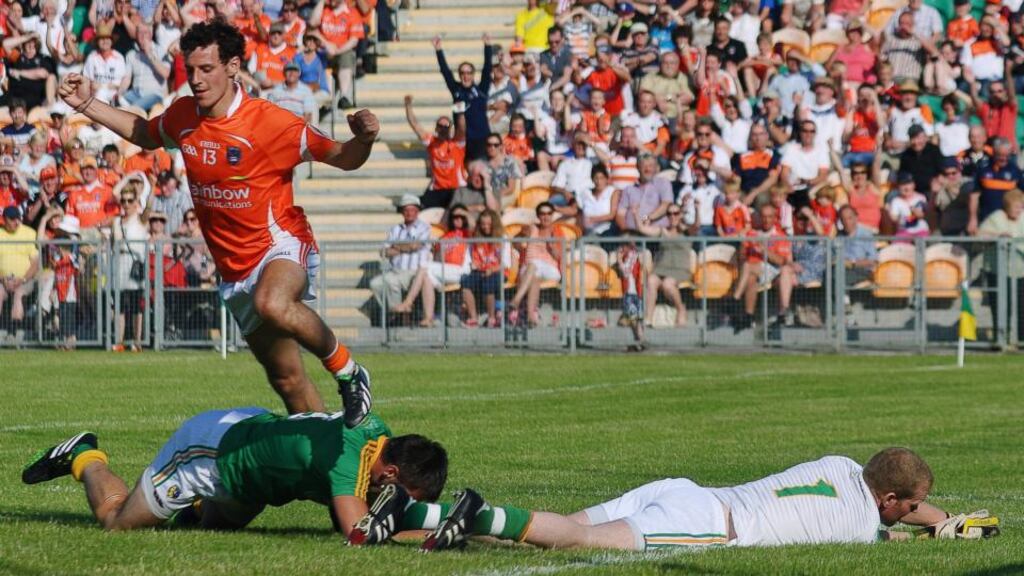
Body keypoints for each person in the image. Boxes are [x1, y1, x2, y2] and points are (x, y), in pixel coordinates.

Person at [58, 19, 374, 421]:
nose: (196, 79)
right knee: (287, 380)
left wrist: (362, 141)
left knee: (273, 301)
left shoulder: (270, 122)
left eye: (206, 69)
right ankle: (329, 461)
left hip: (280, 243)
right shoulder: (184, 115)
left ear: (233, 67)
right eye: (190, 70)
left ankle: (349, 371)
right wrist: (87, 105)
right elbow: (144, 132)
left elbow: (343, 158)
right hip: (233, 269)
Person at [357, 447, 998, 553]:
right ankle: (479, 511)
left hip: (684, 489)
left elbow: (892, 491)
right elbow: (892, 527)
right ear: (890, 500)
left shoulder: (839, 466)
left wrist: (936, 520)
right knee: (580, 542)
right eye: (908, 506)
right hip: (707, 522)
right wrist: (944, 526)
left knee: (562, 524)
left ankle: (414, 516)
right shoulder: (863, 529)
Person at [21, 409, 448, 540]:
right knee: (117, 522)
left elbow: (381, 514)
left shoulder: (378, 437)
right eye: (406, 495)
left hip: (252, 459)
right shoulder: (349, 463)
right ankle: (84, 455)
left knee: (207, 526)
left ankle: (192, 508)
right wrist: (453, 530)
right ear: (390, 472)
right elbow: (360, 532)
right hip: (207, 454)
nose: (402, 504)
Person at [392, 206, 472, 328]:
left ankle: (408, 302)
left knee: (424, 266)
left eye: (461, 218)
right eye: (455, 217)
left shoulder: (468, 233)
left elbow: (474, 224)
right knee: (426, 277)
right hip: (447, 270)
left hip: (462, 270)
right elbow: (438, 258)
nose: (458, 220)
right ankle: (428, 318)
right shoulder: (445, 236)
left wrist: (465, 213)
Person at [733, 204, 795, 333]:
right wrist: (744, 247)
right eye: (764, 217)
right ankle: (749, 317)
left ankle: (735, 299)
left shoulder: (780, 235)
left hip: (773, 269)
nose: (766, 220)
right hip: (755, 269)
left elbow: (783, 261)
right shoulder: (752, 233)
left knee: (748, 267)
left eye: (770, 217)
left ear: (775, 218)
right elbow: (741, 256)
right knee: (749, 275)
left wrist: (764, 251)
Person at [633, 203, 694, 327]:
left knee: (667, 284)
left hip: (679, 269)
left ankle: (681, 309)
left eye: (676, 213)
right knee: (650, 280)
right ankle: (648, 317)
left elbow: (697, 225)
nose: (673, 216)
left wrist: (697, 209)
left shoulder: (687, 232)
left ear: (680, 214)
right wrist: (636, 214)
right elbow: (642, 229)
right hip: (662, 267)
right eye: (669, 214)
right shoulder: (662, 231)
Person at [371, 194, 432, 316]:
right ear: (402, 212)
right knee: (375, 284)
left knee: (392, 282)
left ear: (417, 211)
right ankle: (394, 312)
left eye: (412, 210)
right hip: (395, 270)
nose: (409, 213)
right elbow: (383, 252)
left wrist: (396, 246)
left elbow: (416, 246)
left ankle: (400, 315)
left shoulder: (424, 228)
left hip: (413, 271)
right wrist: (407, 247)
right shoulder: (395, 229)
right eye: (406, 210)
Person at [435, 35, 493, 161]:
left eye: (469, 73)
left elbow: (487, 68)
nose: (465, 76)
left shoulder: (481, 90)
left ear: (473, 75)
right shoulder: (456, 90)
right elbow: (445, 71)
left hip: (481, 139)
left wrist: (488, 46)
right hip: (462, 139)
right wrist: (438, 50)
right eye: (462, 73)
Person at [978, 189, 1024, 341]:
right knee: (1000, 305)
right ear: (1007, 205)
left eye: (1021, 206)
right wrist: (998, 236)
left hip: (1020, 271)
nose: (1018, 210)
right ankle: (1000, 339)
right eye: (1016, 206)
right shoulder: (997, 217)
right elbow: (980, 235)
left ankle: (1021, 339)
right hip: (997, 271)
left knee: (1021, 307)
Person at [509, 202, 564, 328]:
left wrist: (551, 246)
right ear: (538, 216)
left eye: (549, 213)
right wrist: (521, 235)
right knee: (534, 275)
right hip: (529, 268)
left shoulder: (557, 231)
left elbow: (558, 256)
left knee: (534, 265)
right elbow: (515, 244)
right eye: (542, 214)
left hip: (550, 268)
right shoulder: (531, 229)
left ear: (552, 215)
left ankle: (517, 299)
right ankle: (531, 316)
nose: (546, 217)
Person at [111, 185, 148, 352]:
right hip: (119, 263)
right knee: (120, 305)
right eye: (123, 200)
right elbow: (113, 242)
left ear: (136, 202)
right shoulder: (116, 221)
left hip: (135, 264)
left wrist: (149, 187)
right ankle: (119, 340)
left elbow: (150, 207)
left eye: (130, 200)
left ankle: (136, 341)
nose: (126, 204)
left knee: (135, 305)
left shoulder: (141, 219)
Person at [461, 209, 510, 329]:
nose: (485, 227)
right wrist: (473, 265)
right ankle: (473, 318)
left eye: (489, 224)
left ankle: (491, 317)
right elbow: (471, 258)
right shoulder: (476, 238)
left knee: (488, 284)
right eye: (483, 224)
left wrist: (492, 270)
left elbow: (506, 263)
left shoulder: (503, 238)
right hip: (480, 271)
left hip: (498, 271)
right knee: (465, 283)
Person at [0, 206, 39, 330]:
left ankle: (15, 331)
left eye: (18, 218)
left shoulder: (29, 233)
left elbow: (35, 263)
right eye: (12, 219)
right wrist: (3, 279)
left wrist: (21, 279)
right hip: (3, 280)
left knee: (18, 293)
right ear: (4, 220)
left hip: (25, 280)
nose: (16, 222)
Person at [838, 205, 878, 288]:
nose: (846, 222)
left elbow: (873, 261)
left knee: (839, 275)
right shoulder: (839, 236)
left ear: (856, 218)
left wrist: (852, 263)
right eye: (843, 219)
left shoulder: (866, 235)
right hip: (842, 269)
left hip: (861, 271)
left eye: (849, 218)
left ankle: (843, 299)